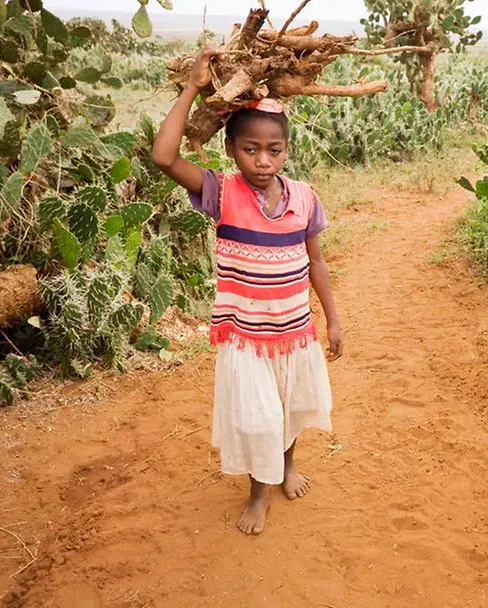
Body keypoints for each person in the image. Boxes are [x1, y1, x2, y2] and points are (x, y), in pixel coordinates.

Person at [151, 47, 343, 535]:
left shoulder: (304, 198)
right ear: (231, 150)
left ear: (287, 150)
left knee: (290, 409)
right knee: (259, 417)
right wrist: (192, 86)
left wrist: (334, 320)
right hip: (246, 336)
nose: (262, 160)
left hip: (294, 332)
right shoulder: (221, 193)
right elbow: (163, 156)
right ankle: (259, 493)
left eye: (274, 150)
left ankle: (286, 467)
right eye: (249, 149)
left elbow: (316, 261)